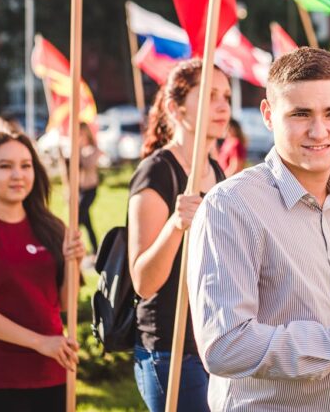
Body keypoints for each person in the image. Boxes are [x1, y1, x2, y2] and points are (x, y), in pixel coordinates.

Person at [188, 47, 330, 411]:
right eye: (300, 114)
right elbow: (224, 346)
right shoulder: (231, 207)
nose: (319, 131)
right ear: (269, 115)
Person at [0, 129, 85, 411]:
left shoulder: (52, 228)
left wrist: (75, 263)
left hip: (53, 368)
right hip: (0, 375)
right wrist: (40, 343)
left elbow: (64, 303)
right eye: (5, 166)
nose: (17, 175)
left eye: (25, 165)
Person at [126, 60, 231, 411]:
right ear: (175, 107)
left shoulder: (217, 170)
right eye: (210, 95)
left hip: (211, 342)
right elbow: (143, 281)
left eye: (226, 96)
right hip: (169, 349)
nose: (223, 106)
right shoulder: (156, 171)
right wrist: (175, 224)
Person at [74, 121, 102, 253]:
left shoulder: (93, 149)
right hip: (80, 189)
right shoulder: (78, 150)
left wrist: (78, 150)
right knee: (87, 222)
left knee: (77, 218)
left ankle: (71, 242)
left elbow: (88, 165)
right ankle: (96, 248)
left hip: (90, 189)